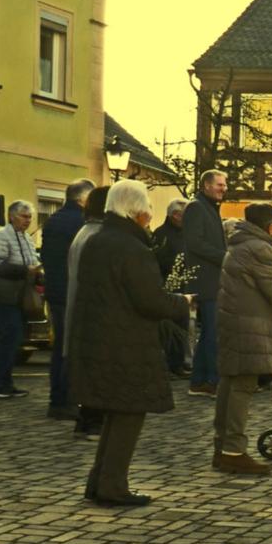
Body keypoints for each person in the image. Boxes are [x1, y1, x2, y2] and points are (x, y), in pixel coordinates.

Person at [70, 181, 193, 507]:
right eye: (147, 209)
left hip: (102, 338)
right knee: (128, 413)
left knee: (116, 412)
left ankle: (99, 481)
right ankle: (112, 485)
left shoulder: (98, 241)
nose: (150, 216)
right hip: (125, 341)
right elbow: (149, 300)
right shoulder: (131, 248)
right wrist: (182, 302)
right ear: (136, 210)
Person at [213, 202, 272, 477]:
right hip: (249, 324)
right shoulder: (260, 248)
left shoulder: (239, 243)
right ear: (267, 225)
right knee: (243, 385)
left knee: (229, 383)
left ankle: (223, 447)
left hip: (233, 320)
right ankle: (233, 450)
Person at [40, 179, 94, 422]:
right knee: (69, 348)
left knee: (60, 347)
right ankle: (63, 400)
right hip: (70, 291)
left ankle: (59, 397)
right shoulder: (80, 223)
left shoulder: (54, 219)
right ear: (83, 199)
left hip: (55, 290)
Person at [62, 186, 112, 438]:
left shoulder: (86, 231)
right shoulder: (97, 235)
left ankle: (88, 418)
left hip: (81, 308)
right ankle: (91, 421)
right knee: (96, 368)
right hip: (92, 311)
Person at [0, 200, 39, 399]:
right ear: (12, 216)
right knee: (10, 337)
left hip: (21, 296)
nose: (28, 220)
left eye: (30, 217)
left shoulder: (27, 239)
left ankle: (5, 383)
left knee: (14, 340)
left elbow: (32, 263)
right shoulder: (1, 236)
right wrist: (24, 270)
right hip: (6, 295)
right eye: (24, 216)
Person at [181, 171, 229, 396]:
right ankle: (209, 380)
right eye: (220, 184)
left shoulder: (209, 208)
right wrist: (224, 256)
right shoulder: (197, 208)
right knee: (212, 332)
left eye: (225, 184)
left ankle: (200, 381)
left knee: (210, 331)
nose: (224, 188)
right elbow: (195, 243)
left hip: (212, 279)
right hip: (205, 280)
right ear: (206, 185)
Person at [151, 198, 192, 378]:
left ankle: (179, 362)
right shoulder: (161, 234)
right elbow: (157, 260)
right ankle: (169, 364)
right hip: (168, 286)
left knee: (183, 327)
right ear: (175, 215)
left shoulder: (186, 233)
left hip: (184, 286)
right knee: (170, 329)